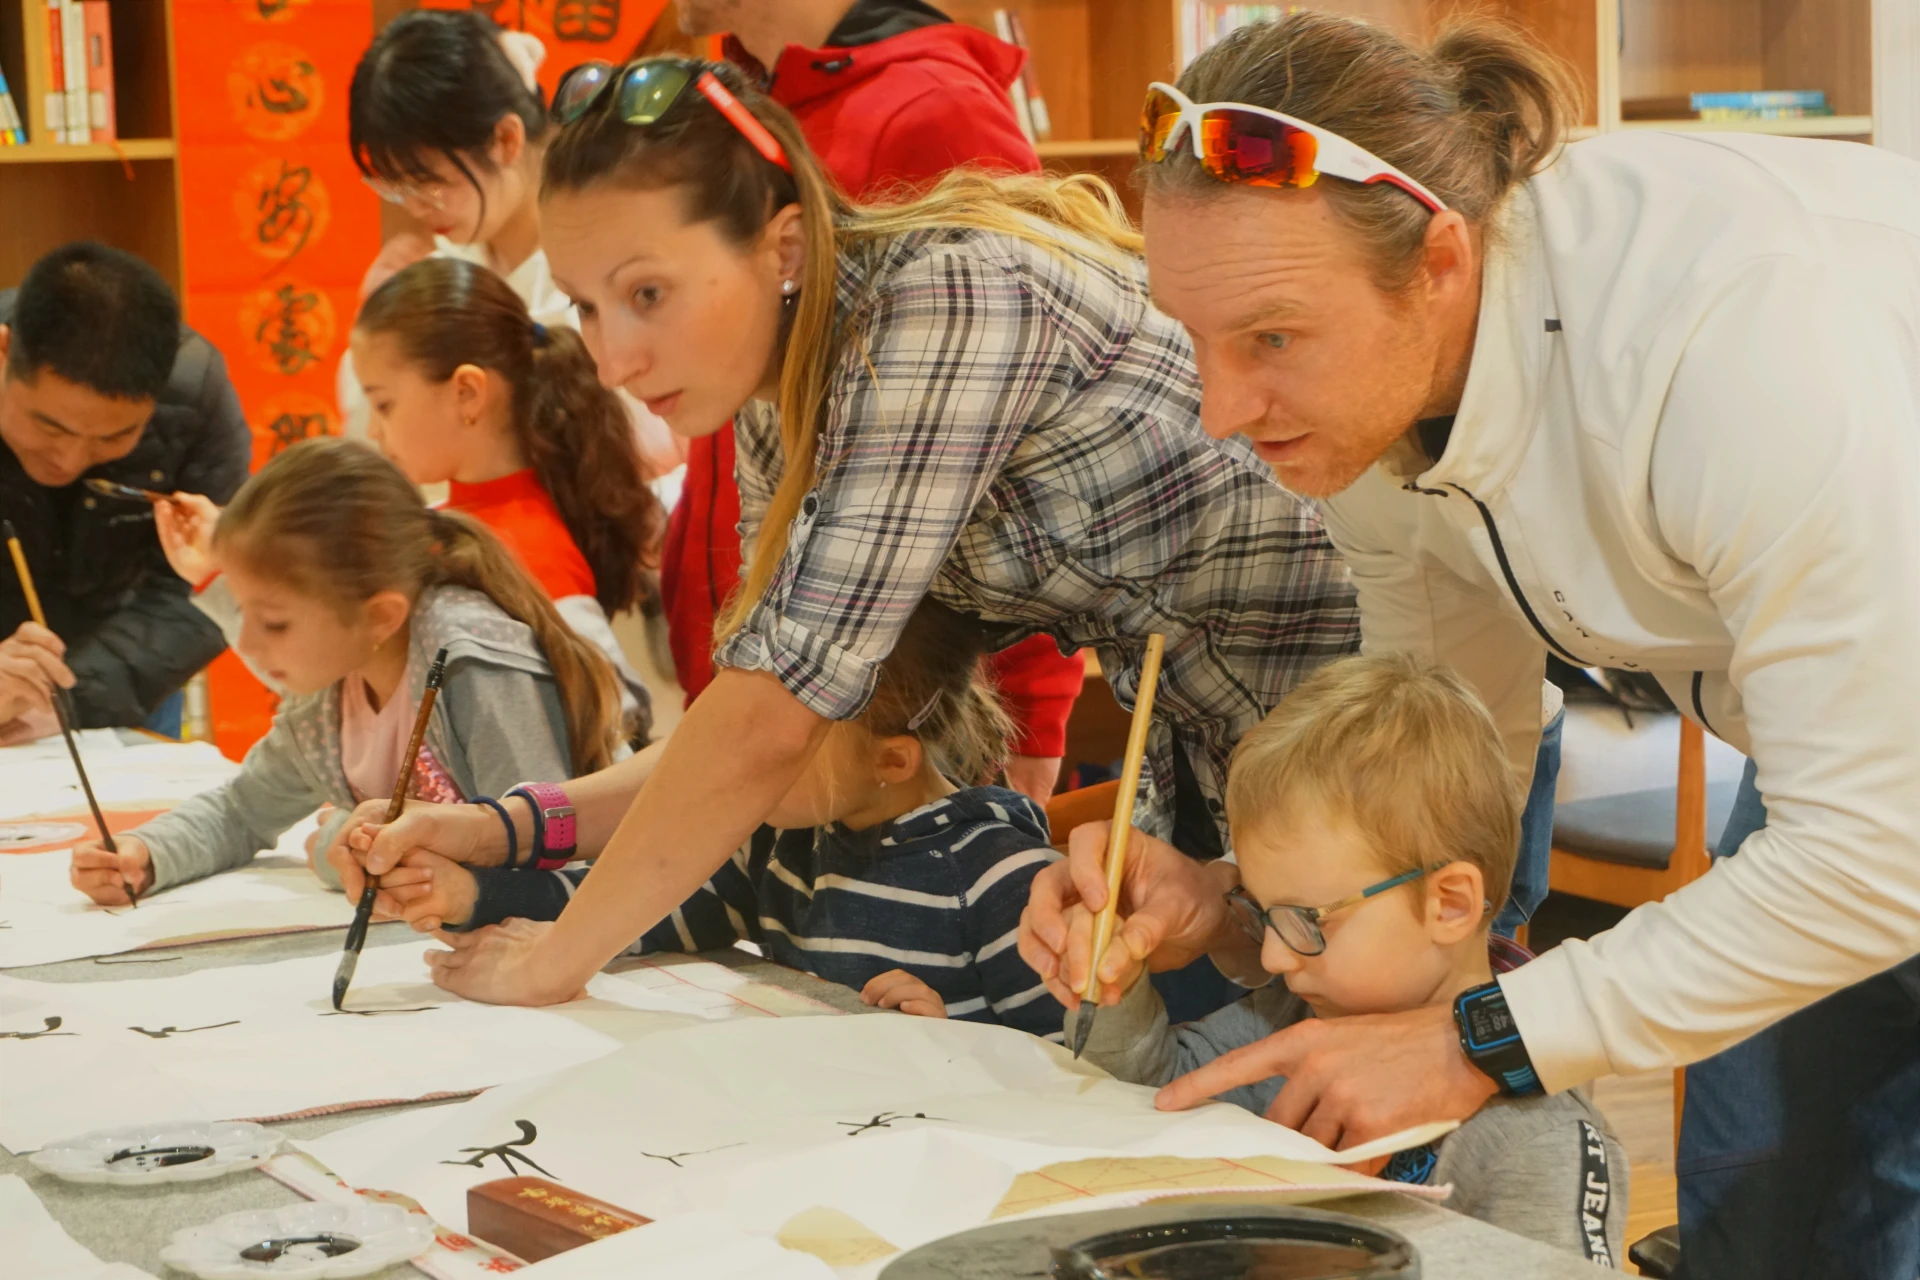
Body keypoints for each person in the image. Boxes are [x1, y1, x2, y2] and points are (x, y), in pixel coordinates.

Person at [1018, 13, 1920, 1278]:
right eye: (1198, 338)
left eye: (1271, 337)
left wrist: (1480, 1037)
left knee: (1885, 1221)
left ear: (1438, 256)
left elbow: (1882, 850)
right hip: (1867, 770)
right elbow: (1447, 765)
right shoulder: (1379, 412)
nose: (1223, 413)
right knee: (1759, 1213)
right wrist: (1238, 902)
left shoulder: (1738, 346)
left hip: (1885, 805)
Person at [336, 57, 1358, 1011]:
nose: (613, 358)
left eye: (648, 294)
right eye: (592, 307)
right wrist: (500, 824)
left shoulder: (941, 304)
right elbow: (750, 717)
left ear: (780, 246)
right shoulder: (772, 401)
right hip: (1211, 755)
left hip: (1360, 731)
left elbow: (768, 722)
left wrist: (558, 962)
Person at [1066, 652, 1626, 1264]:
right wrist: (1109, 967)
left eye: (1306, 919)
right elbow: (1149, 1098)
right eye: (1261, 910)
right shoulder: (1295, 1016)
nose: (1274, 957)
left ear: (1450, 905)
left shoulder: (1541, 1144)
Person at [661, 0, 1085, 802]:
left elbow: (1033, 418)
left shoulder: (930, 109)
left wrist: (1031, 712)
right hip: (760, 687)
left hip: (906, 719)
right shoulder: (740, 113)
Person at [342, 598, 1065, 1038]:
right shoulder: (786, 838)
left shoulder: (999, 877)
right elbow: (650, 902)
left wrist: (952, 1043)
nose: (734, 763)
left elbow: (1077, 1064)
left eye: (772, 745)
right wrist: (472, 892)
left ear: (894, 760)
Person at [69, 437, 622, 905]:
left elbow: (542, 853)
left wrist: (340, 842)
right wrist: (146, 854)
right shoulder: (328, 691)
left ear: (378, 615)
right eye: (243, 611)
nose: (249, 643)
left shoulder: (470, 663)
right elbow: (243, 810)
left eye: (276, 624)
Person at [162, 257, 664, 745]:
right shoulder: (446, 525)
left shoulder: (531, 550)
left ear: (467, 393)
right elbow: (336, 665)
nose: (375, 430)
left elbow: (608, 727)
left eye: (384, 404)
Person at [343, 9, 680, 475]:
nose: (417, 209)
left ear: (505, 139)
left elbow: (656, 448)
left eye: (431, 183)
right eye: (397, 189)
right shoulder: (450, 261)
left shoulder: (616, 241)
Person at [0, 242, 248, 743]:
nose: (67, 460)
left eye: (112, 438)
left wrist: (74, 697)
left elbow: (204, 581)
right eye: (49, 426)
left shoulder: (194, 393)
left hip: (124, 677)